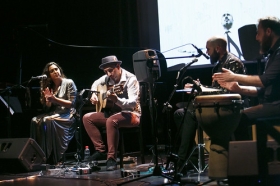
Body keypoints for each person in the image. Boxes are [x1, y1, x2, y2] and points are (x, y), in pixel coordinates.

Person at [173, 36, 246, 172]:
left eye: (208, 49)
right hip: (215, 105)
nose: (206, 52)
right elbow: (216, 90)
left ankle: (182, 161)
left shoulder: (232, 63)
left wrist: (200, 90)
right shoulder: (219, 64)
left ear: (217, 48)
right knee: (179, 113)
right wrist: (199, 87)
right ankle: (192, 157)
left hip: (228, 108)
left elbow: (225, 92)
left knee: (187, 113)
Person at [212, 16, 280, 140]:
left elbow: (264, 81)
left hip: (276, 105)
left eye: (258, 33)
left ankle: (245, 156)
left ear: (268, 32)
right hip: (272, 104)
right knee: (236, 118)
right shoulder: (272, 55)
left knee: (237, 118)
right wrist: (239, 89)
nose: (257, 38)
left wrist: (233, 77)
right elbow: (263, 90)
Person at [83, 55, 141, 171]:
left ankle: (111, 158)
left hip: (132, 114)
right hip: (113, 114)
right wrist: (94, 94)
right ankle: (100, 150)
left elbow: (133, 103)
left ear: (118, 66)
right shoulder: (106, 78)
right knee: (87, 118)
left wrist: (117, 100)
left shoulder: (131, 79)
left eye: (110, 70)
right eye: (106, 72)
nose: (108, 74)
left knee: (111, 120)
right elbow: (95, 83)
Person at [30, 62, 77, 164]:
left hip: (68, 114)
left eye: (56, 69)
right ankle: (38, 154)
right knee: (34, 120)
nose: (55, 72)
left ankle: (52, 156)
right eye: (52, 71)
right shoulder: (50, 87)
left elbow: (72, 104)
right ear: (49, 75)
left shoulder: (69, 82)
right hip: (55, 113)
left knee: (47, 120)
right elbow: (47, 109)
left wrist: (55, 99)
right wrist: (48, 102)